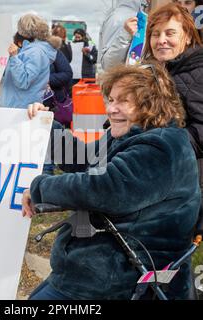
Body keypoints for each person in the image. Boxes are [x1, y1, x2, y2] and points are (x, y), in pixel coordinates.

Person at [22, 62, 200, 300]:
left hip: (125, 276)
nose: (111, 109)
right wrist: (46, 126)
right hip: (101, 265)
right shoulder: (133, 134)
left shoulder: (162, 146)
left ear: (151, 104)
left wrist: (40, 188)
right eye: (111, 100)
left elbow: (105, 188)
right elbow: (85, 159)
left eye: (123, 101)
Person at [143, 2, 203, 238]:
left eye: (170, 33)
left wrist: (160, 144)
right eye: (155, 34)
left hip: (185, 185)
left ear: (187, 37)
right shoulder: (155, 72)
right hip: (155, 177)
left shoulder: (197, 73)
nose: (161, 40)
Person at [0, 14, 59, 109]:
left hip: (21, 110)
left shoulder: (35, 52)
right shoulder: (30, 50)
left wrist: (14, 58)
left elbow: (23, 81)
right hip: (20, 108)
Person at [99, 0, 151, 71]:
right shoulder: (120, 17)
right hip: (126, 80)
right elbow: (109, 66)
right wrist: (125, 35)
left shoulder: (146, 16)